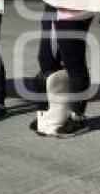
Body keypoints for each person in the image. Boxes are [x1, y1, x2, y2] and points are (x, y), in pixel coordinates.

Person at [30, 7, 94, 136]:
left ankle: (77, 118)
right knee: (46, 61)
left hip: (74, 10)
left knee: (74, 65)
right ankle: (50, 113)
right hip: (53, 6)